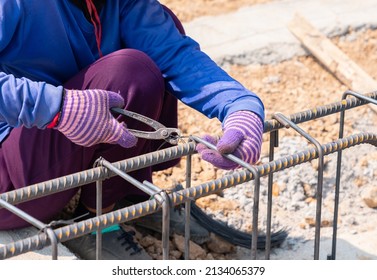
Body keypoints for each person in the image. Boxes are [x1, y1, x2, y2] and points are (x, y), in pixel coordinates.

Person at [0, 0, 264, 259]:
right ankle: (94, 223)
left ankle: (127, 194)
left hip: (50, 149)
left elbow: (173, 53)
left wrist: (240, 107)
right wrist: (56, 107)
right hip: (10, 187)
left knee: (162, 25)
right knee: (129, 70)